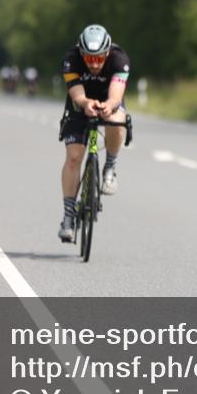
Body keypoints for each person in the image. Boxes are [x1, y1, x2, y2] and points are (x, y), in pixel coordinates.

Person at [57, 24, 131, 242]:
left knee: (117, 121)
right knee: (73, 157)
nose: (95, 63)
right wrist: (86, 102)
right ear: (81, 53)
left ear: (108, 52)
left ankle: (109, 168)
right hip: (80, 104)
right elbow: (77, 94)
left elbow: (116, 94)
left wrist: (110, 105)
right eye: (89, 58)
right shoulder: (71, 59)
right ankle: (68, 217)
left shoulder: (119, 59)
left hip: (110, 100)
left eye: (99, 57)